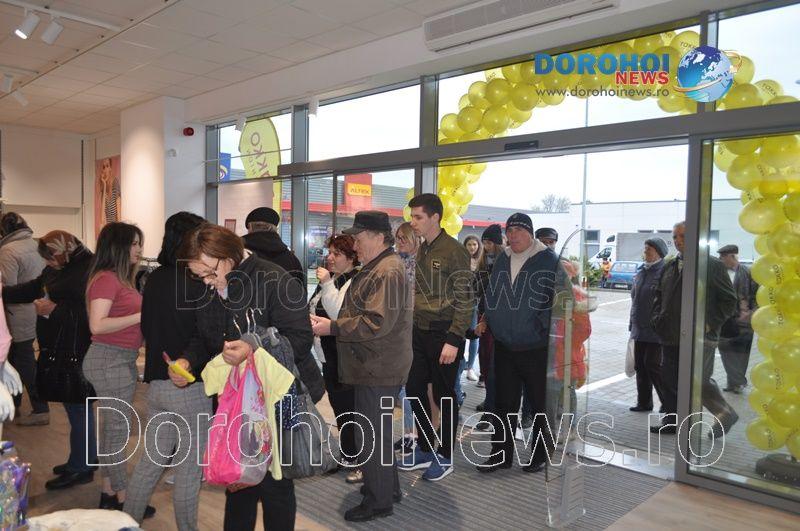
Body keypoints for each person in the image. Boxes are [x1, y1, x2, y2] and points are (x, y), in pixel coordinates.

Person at [178, 223, 322, 531]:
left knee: (275, 485)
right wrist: (187, 360)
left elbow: (300, 339)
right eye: (199, 276)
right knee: (238, 480)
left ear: (228, 255)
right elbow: (203, 335)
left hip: (277, 397)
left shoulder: (274, 279)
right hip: (235, 400)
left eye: (210, 273)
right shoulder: (211, 287)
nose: (207, 282)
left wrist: (253, 347)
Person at [310, 210, 412, 523]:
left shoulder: (386, 271)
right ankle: (387, 489)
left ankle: (378, 501)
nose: (354, 245)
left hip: (377, 366)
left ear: (378, 237)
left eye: (358, 237)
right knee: (376, 433)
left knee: (371, 435)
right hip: (374, 364)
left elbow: (376, 322)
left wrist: (333, 327)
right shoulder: (380, 266)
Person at [123, 212, 208, 530]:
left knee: (150, 462)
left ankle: (127, 522)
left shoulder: (155, 277)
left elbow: (147, 327)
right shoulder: (197, 281)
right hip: (189, 386)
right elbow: (203, 335)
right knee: (189, 469)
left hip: (157, 382)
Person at [2, 230, 96, 489]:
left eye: (50, 258)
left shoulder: (88, 270)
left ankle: (82, 466)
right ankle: (82, 458)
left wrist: (55, 309)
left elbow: (91, 314)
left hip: (77, 348)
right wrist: (4, 292)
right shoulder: (63, 267)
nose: (48, 263)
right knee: (75, 407)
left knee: (78, 407)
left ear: (62, 252)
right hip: (61, 346)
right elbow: (34, 287)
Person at [399, 194, 473, 482]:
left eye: (418, 217)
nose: (413, 222)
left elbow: (465, 299)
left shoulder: (454, 250)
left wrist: (454, 339)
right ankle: (426, 446)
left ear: (435, 217)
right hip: (420, 331)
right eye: (412, 217)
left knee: (444, 396)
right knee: (414, 389)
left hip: (444, 332)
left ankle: (445, 456)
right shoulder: (423, 249)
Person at [478, 213, 559, 474]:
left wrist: (539, 327)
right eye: (509, 231)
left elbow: (560, 300)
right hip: (504, 345)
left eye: (518, 231)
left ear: (530, 233)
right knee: (504, 403)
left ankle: (540, 454)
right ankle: (500, 454)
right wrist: (489, 318)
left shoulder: (548, 260)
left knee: (539, 404)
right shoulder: (503, 258)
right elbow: (492, 292)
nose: (512, 236)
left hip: (536, 347)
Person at [81, 222, 148, 512]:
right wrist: (142, 315)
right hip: (110, 360)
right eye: (134, 243)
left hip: (118, 359)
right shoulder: (107, 279)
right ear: (118, 247)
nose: (139, 249)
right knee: (117, 431)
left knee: (112, 430)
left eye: (139, 243)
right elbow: (97, 325)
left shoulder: (118, 279)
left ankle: (108, 492)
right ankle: (123, 497)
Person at [651, 221, 738, 436]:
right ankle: (673, 421)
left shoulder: (711, 266)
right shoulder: (670, 265)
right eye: (675, 237)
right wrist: (657, 319)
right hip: (671, 334)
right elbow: (659, 296)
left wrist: (708, 324)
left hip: (700, 337)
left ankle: (725, 412)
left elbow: (729, 301)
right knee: (670, 379)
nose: (678, 241)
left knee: (697, 381)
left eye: (683, 236)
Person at [309, 234, 360, 482]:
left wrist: (327, 282)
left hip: (345, 354)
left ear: (351, 257)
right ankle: (349, 452)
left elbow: (339, 314)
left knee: (350, 407)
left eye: (336, 254)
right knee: (339, 406)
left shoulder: (354, 280)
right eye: (329, 252)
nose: (330, 258)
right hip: (327, 353)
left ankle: (357, 456)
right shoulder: (331, 279)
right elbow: (314, 305)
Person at [0, 212, 47, 425]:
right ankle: (16, 405)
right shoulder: (34, 244)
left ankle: (40, 408)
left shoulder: (8, 251)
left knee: (24, 361)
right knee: (20, 359)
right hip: (33, 310)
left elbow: (6, 288)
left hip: (14, 315)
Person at [628, 238, 668, 412]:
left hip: (655, 329)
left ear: (659, 253)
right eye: (645, 249)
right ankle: (644, 403)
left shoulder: (664, 272)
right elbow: (634, 299)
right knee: (640, 366)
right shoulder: (641, 271)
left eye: (649, 249)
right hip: (639, 327)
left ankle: (668, 403)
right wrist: (632, 323)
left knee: (653, 365)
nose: (645, 252)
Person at [394, 222, 422, 455]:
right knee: (404, 386)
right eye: (398, 238)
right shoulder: (397, 261)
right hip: (398, 329)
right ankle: (409, 433)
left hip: (414, 330)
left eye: (404, 238)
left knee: (410, 386)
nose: (399, 242)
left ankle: (414, 435)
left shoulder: (420, 263)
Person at [717, 244, 758, 394]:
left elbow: (757, 295)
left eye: (723, 257)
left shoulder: (748, 272)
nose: (721, 259)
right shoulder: (719, 273)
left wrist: (751, 313)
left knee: (741, 353)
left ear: (733, 256)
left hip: (744, 321)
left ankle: (734, 382)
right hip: (725, 320)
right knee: (725, 350)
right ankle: (738, 381)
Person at [242, 207, 305, 291]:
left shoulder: (237, 253)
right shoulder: (291, 259)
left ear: (250, 227)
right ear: (275, 228)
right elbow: (299, 293)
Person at [458, 235, 483, 397]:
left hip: (474, 302)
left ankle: (470, 367)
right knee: (460, 333)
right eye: (469, 244)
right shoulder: (459, 260)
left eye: (474, 244)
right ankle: (460, 365)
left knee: (474, 335)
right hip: (459, 302)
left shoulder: (481, 262)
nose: (472, 247)